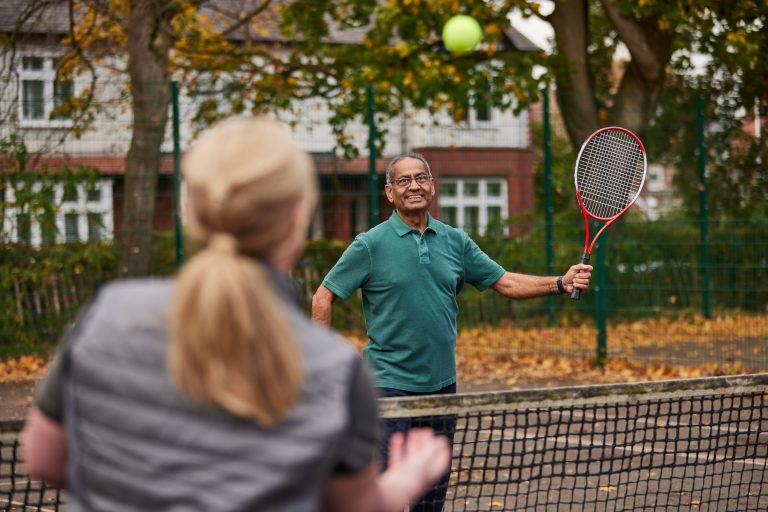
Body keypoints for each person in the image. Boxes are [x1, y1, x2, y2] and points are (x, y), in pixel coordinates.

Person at [21, 119, 451, 512]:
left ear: (191, 212)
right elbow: (355, 505)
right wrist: (408, 477)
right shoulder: (334, 368)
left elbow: (42, 459)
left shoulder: (108, 315)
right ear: (297, 220)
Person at [312, 152, 593, 511]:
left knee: (431, 498)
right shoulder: (370, 245)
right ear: (389, 192)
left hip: (443, 388)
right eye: (403, 180)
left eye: (421, 178)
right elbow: (322, 298)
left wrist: (560, 282)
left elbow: (505, 282)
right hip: (387, 388)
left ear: (432, 186)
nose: (414, 186)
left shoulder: (456, 242)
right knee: (382, 495)